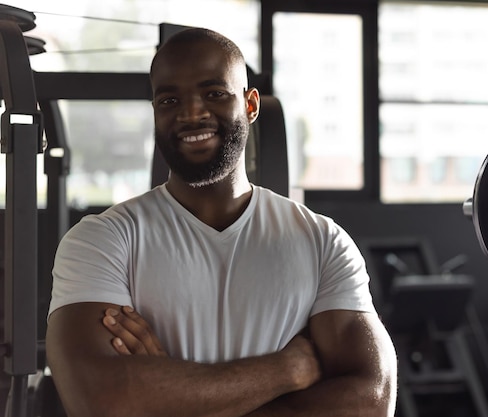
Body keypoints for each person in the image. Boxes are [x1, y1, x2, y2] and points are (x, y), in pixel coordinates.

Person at [45, 27, 397, 417]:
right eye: (170, 99)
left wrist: (168, 399)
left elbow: (371, 398)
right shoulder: (101, 242)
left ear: (250, 105)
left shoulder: (323, 241)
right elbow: (101, 401)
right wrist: (286, 371)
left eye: (214, 93)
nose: (191, 113)